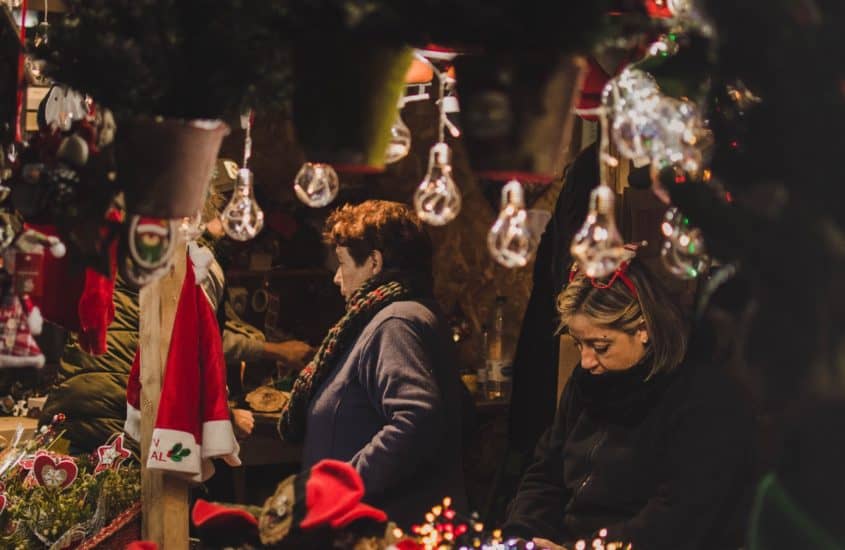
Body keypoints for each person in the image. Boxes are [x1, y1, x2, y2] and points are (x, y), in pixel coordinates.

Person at [503, 256, 756, 550]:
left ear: (644, 329)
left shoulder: (702, 399)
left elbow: (677, 520)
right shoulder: (585, 383)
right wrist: (522, 536)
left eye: (600, 346)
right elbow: (546, 473)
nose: (585, 361)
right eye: (578, 344)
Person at [278, 200, 467, 528]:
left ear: (375, 262)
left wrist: (341, 487)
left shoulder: (395, 323)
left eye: (342, 263)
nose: (337, 279)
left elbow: (417, 416)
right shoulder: (395, 316)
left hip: (383, 529)